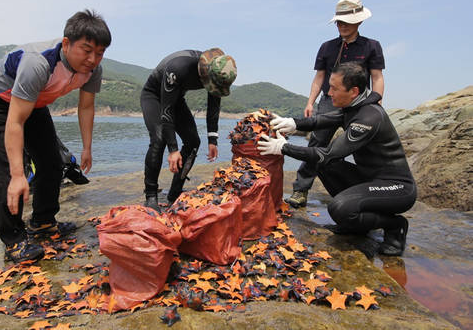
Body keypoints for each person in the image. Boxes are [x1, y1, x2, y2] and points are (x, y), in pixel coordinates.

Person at [0, 9, 111, 262]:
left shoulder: (94, 70)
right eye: (87, 50)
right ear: (67, 43)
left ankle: (43, 222)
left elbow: (86, 107)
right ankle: (14, 240)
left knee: (52, 162)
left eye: (100, 52)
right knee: (10, 171)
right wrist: (18, 174)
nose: (93, 59)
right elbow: (15, 122)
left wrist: (87, 148)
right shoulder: (38, 63)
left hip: (34, 103)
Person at [257, 62, 416, 256]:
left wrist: (283, 148)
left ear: (354, 91)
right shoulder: (353, 107)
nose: (329, 93)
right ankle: (358, 225)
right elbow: (320, 120)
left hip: (397, 188)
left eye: (334, 88)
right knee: (324, 167)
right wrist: (292, 123)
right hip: (370, 179)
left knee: (339, 209)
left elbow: (327, 154)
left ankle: (395, 225)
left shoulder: (369, 117)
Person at [285, 0, 385, 208]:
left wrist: (376, 103)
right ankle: (300, 190)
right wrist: (310, 102)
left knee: (362, 149)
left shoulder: (371, 46)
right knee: (316, 143)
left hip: (360, 104)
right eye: (339, 22)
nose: (342, 26)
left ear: (359, 22)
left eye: (347, 22)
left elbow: (377, 77)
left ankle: (367, 192)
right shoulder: (327, 47)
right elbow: (319, 77)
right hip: (329, 102)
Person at [141, 48, 237, 212]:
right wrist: (173, 149)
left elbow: (213, 107)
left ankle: (174, 193)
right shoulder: (179, 67)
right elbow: (166, 110)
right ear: (206, 72)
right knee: (159, 139)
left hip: (176, 99)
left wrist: (212, 140)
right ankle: (151, 195)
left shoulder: (217, 73)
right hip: (155, 96)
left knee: (193, 142)